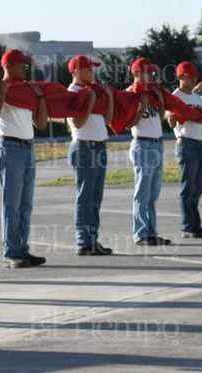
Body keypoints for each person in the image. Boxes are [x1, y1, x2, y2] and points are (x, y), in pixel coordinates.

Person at [66, 54, 144, 255]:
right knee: (85, 196)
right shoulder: (73, 92)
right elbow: (77, 123)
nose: (93, 72)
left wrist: (108, 97)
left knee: (95, 197)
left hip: (99, 147)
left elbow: (108, 120)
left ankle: (93, 240)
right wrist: (91, 99)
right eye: (88, 69)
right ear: (76, 71)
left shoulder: (95, 92)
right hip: (84, 147)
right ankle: (83, 242)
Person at [0, 48, 50, 268]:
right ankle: (12, 252)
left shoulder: (25, 91)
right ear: (8, 66)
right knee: (11, 204)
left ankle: (22, 248)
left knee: (25, 204)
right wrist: (2, 94)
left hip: (28, 147)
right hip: (9, 147)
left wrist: (40, 98)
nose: (25, 68)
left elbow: (41, 124)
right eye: (21, 65)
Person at [167, 61, 202, 238]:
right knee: (188, 187)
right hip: (186, 143)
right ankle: (188, 226)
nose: (194, 78)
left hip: (199, 142)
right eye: (189, 75)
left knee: (198, 187)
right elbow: (171, 120)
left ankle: (195, 224)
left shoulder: (195, 96)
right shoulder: (175, 96)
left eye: (195, 75)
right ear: (180, 77)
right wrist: (176, 115)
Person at [126, 58, 170, 247]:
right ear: (136, 74)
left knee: (152, 194)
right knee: (142, 193)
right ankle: (140, 233)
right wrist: (141, 107)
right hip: (142, 145)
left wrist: (159, 102)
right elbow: (128, 123)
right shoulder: (130, 94)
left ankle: (151, 232)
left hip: (157, 144)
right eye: (147, 72)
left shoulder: (151, 93)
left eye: (152, 72)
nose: (151, 75)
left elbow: (158, 119)